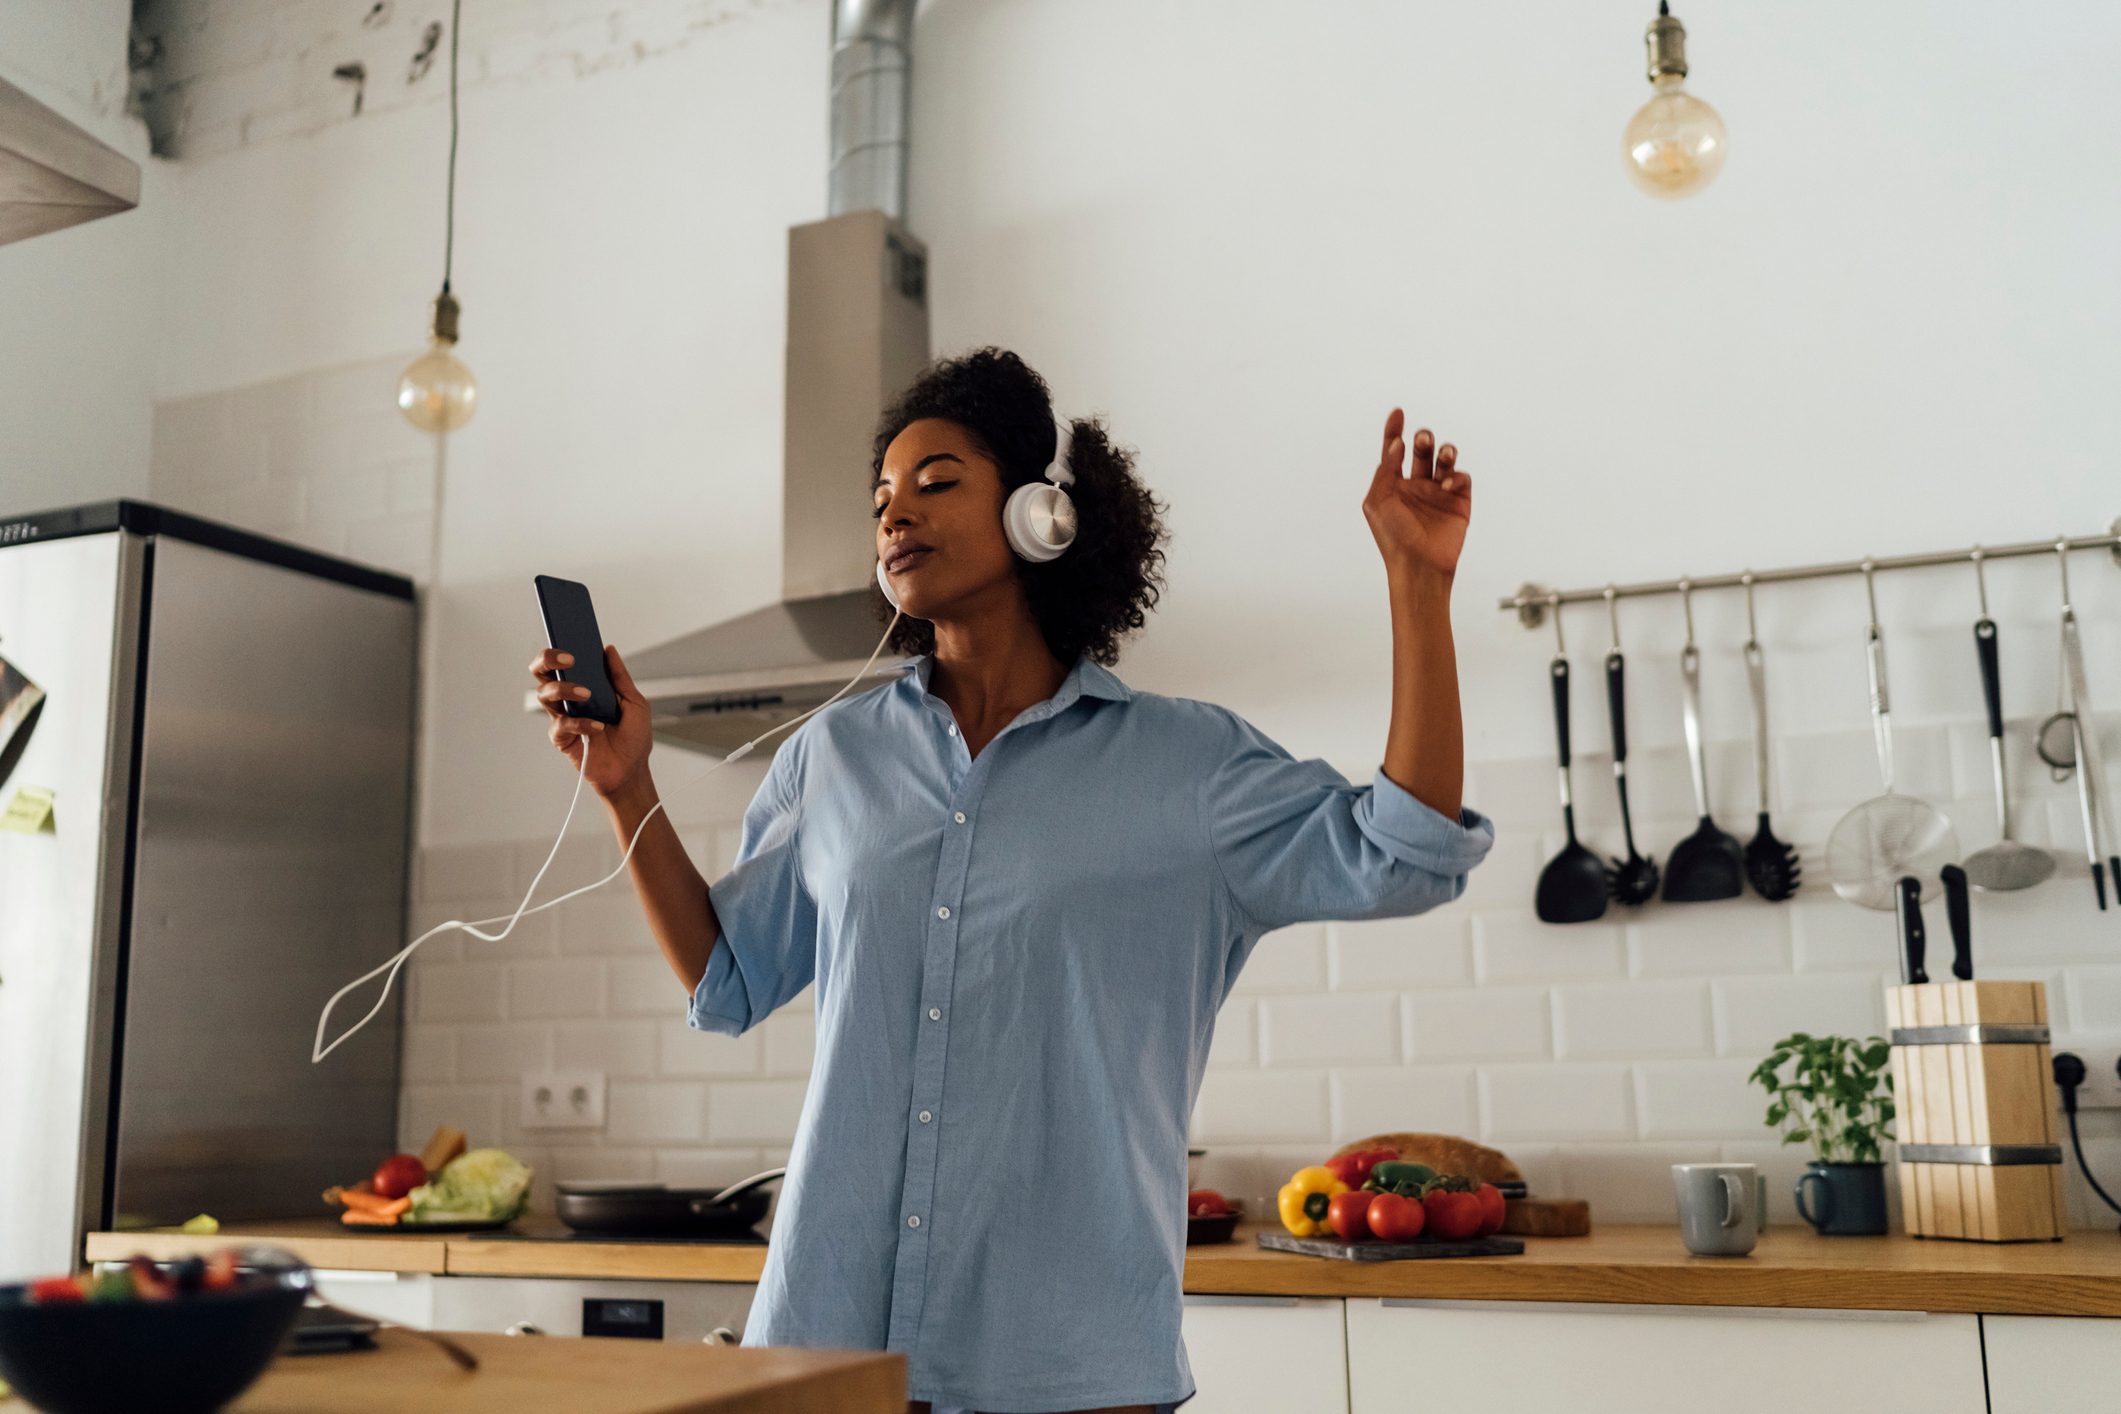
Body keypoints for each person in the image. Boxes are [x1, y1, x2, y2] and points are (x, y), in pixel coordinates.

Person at [529, 348, 1493, 1413]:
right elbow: (729, 976)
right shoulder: (833, 757)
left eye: (936, 481)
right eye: (881, 498)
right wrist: (628, 789)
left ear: (1046, 513)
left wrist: (1418, 585)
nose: (896, 515)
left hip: (1070, 1365)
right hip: (827, 1346)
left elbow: (1405, 852)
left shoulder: (1189, 768)